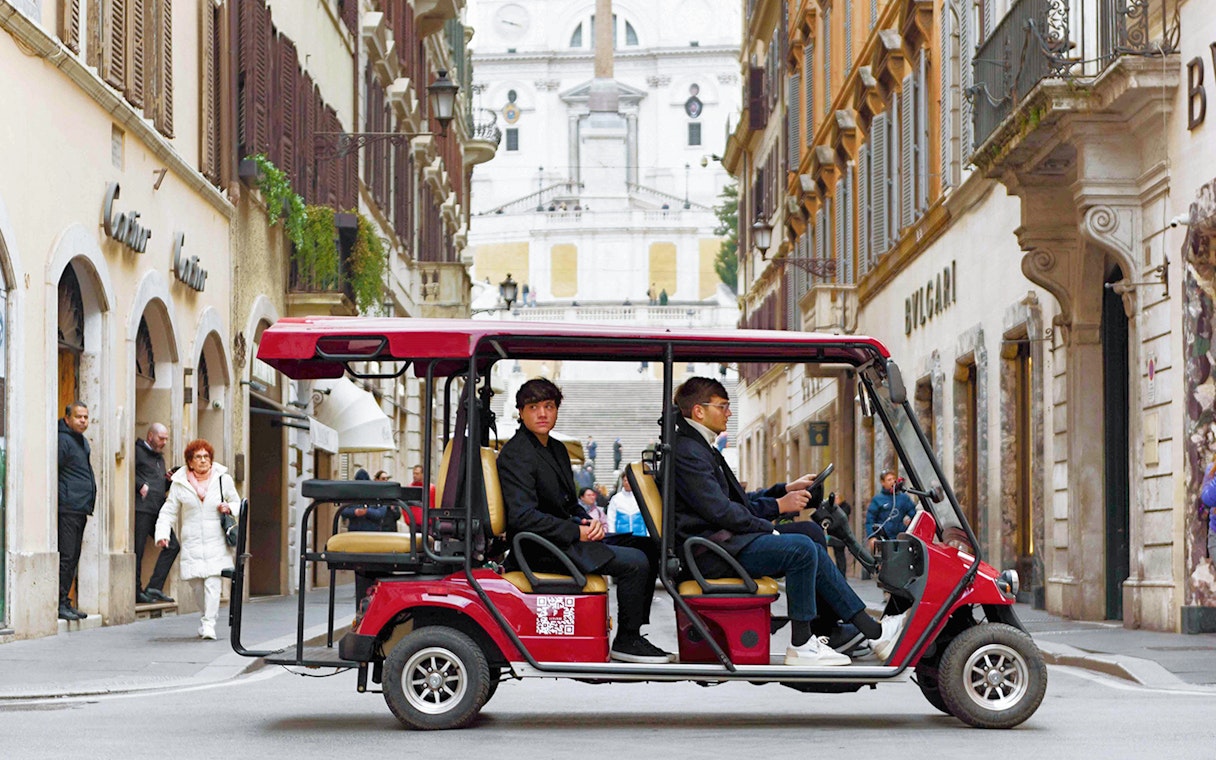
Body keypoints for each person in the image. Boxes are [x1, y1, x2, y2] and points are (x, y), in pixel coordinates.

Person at [669, 377, 906, 666]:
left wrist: (785, 490)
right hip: (712, 553)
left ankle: (830, 629)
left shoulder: (700, 448)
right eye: (723, 406)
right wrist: (773, 519)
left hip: (722, 542)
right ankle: (809, 643)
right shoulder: (689, 453)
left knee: (809, 532)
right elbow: (720, 511)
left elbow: (740, 502)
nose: (729, 413)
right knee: (801, 549)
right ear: (699, 411)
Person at [497, 378, 672, 663]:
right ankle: (626, 639)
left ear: (556, 410)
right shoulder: (516, 455)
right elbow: (522, 516)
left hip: (561, 537)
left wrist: (588, 521)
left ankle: (635, 633)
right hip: (539, 546)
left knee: (648, 546)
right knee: (635, 563)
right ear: (520, 411)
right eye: (533, 407)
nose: (542, 413)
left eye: (549, 406)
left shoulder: (556, 449)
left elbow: (568, 502)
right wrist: (574, 532)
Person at [155, 439, 239, 640]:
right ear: (190, 462)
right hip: (192, 539)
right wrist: (162, 534)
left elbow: (238, 502)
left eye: (206, 457)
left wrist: (230, 508)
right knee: (196, 584)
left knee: (212, 581)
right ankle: (206, 614)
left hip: (216, 539)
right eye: (198, 457)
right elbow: (168, 512)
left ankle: (209, 624)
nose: (203, 460)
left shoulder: (222, 479)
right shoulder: (180, 483)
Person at [57, 401, 97, 621]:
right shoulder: (63, 440)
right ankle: (60, 603)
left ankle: (66, 601)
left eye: (86, 417)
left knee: (73, 557)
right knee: (67, 556)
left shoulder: (80, 441)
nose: (83, 420)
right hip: (68, 507)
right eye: (78, 417)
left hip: (79, 507)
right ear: (67, 419)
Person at [134, 423, 178, 604]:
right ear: (150, 436)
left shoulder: (160, 458)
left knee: (173, 546)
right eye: (161, 438)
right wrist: (140, 485)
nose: (164, 442)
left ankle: (154, 587)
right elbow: (129, 473)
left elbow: (159, 485)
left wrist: (168, 481)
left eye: (166, 439)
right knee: (138, 550)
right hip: (142, 509)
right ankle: (136, 591)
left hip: (157, 510)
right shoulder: (137, 452)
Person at [340, 469, 388, 607]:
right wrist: (355, 512)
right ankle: (363, 601)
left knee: (370, 570)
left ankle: (369, 599)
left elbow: (380, 513)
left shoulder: (375, 497)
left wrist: (366, 512)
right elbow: (344, 511)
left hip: (370, 538)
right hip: (358, 538)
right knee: (361, 570)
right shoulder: (354, 497)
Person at [865, 470, 918, 555]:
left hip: (900, 539)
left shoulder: (904, 498)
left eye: (894, 479)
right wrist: (872, 537)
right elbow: (870, 520)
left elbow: (914, 514)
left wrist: (911, 524)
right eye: (889, 480)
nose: (892, 482)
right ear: (883, 482)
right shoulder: (877, 499)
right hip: (883, 539)